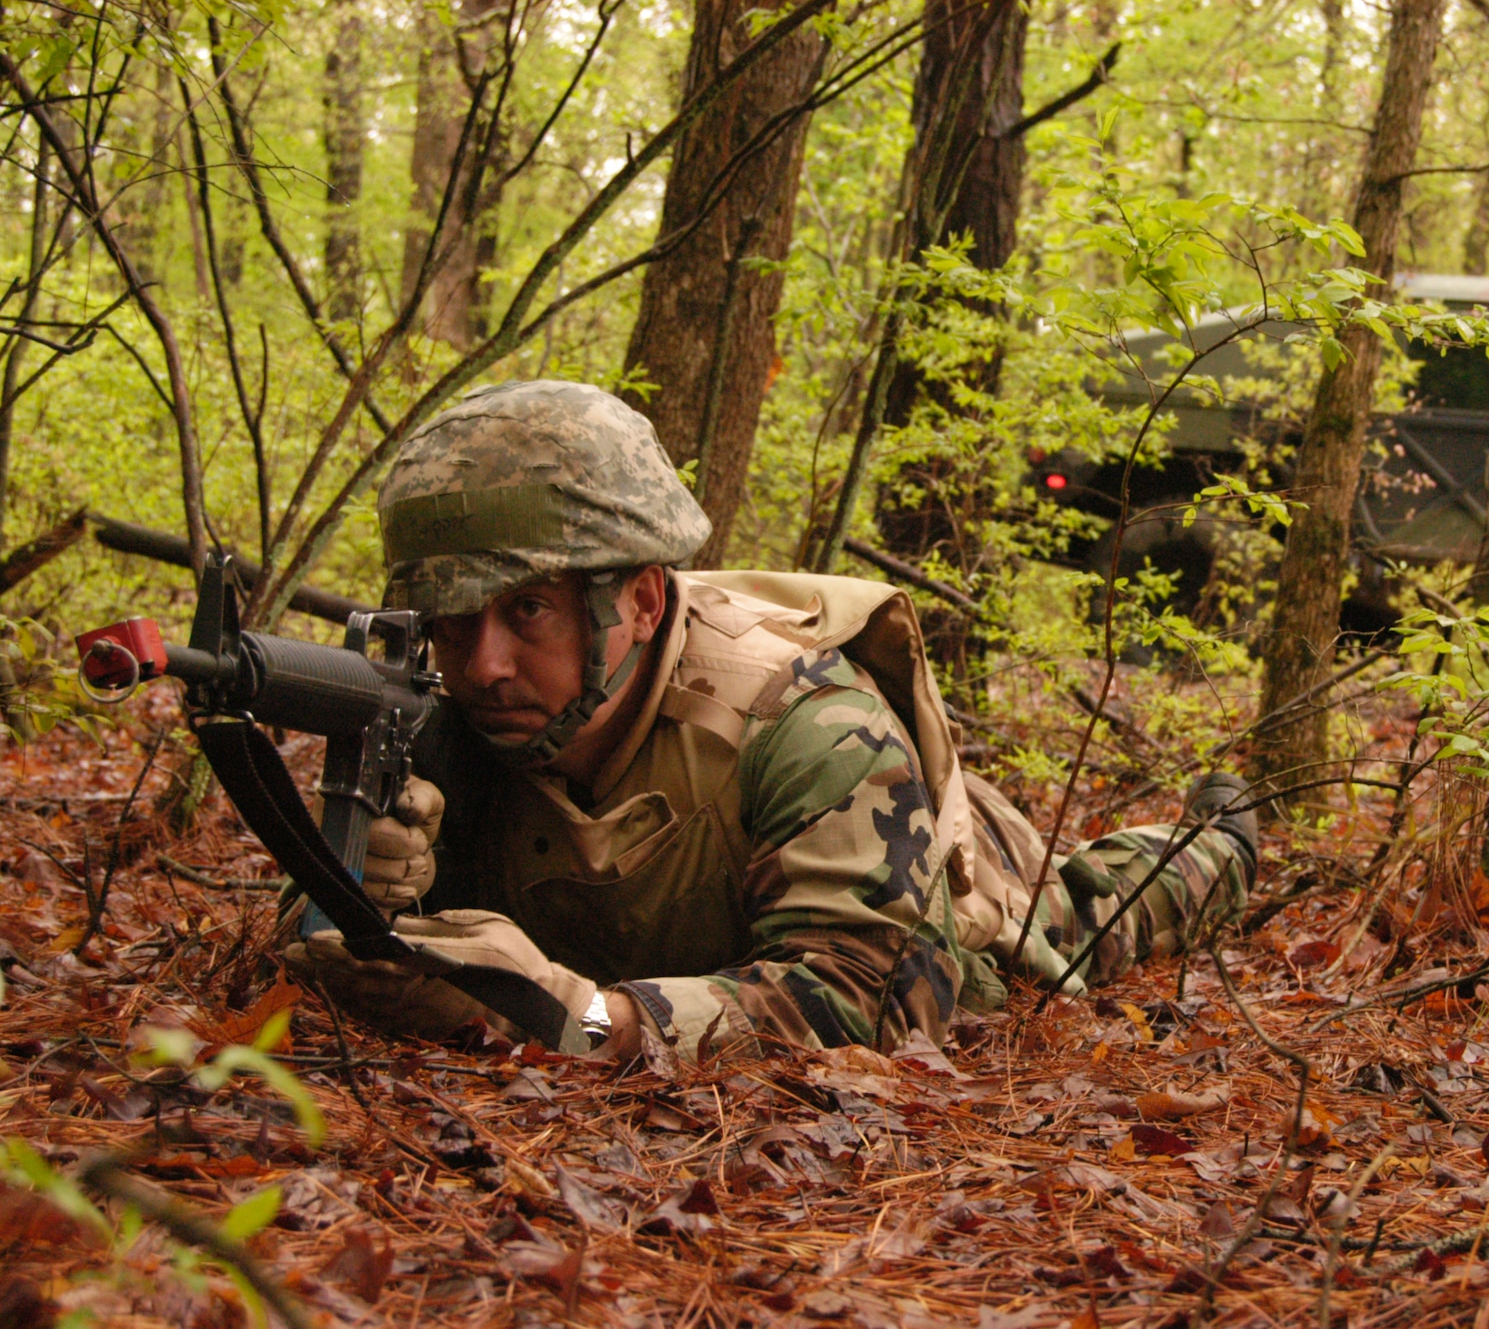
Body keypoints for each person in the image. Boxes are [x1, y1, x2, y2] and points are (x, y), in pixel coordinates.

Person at [284, 381, 1256, 1066]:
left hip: (951, 878)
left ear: (642, 603)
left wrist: (582, 1019)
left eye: (527, 611)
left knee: (1098, 908)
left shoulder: (815, 724)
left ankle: (1228, 834)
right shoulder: (446, 718)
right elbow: (314, 947)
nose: (483, 664)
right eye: (453, 622)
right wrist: (363, 884)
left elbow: (877, 1002)